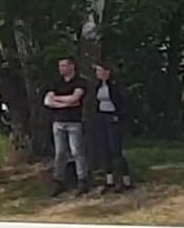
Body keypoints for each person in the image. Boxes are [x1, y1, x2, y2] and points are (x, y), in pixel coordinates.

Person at [43, 56, 89, 196]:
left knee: (77, 152)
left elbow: (75, 98)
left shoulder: (80, 82)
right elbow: (47, 101)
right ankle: (59, 180)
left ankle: (82, 180)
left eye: (64, 65)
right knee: (60, 153)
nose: (61, 69)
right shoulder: (56, 83)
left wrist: (57, 99)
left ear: (72, 66)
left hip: (74, 121)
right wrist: (65, 103)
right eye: (60, 66)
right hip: (58, 122)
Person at [94, 61, 132, 193]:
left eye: (99, 71)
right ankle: (109, 179)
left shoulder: (116, 85)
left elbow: (124, 102)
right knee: (104, 149)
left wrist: (119, 116)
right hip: (102, 117)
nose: (97, 73)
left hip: (113, 117)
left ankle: (124, 179)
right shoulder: (99, 85)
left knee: (115, 149)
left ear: (107, 72)